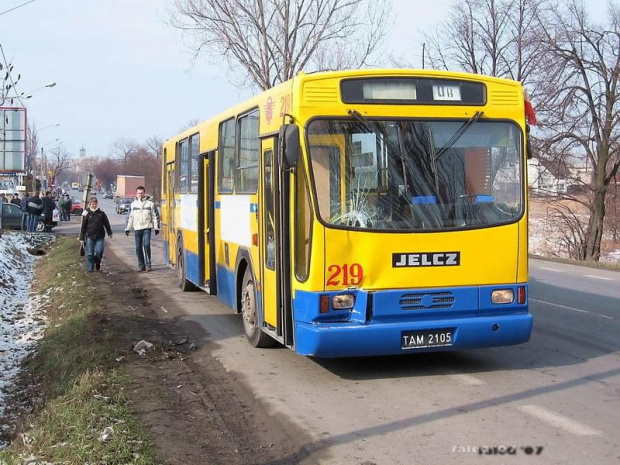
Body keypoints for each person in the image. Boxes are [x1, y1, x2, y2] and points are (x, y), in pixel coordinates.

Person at [125, 186, 159, 272]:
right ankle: (141, 265)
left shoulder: (150, 204)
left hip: (147, 227)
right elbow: (130, 217)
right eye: (139, 193)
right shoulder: (133, 205)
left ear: (144, 193)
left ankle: (148, 264)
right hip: (137, 228)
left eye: (142, 193)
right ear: (136, 194)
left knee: (146, 245)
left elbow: (155, 216)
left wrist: (156, 227)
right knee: (138, 247)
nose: (140, 194)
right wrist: (128, 228)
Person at [79, 196, 113, 272]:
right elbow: (83, 226)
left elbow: (106, 224)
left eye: (95, 204)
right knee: (90, 253)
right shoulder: (86, 214)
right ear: (90, 204)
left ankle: (97, 262)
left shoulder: (101, 213)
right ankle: (90, 267)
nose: (94, 205)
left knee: (99, 251)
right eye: (92, 204)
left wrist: (109, 232)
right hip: (90, 236)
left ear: (97, 204)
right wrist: (82, 237)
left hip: (100, 236)